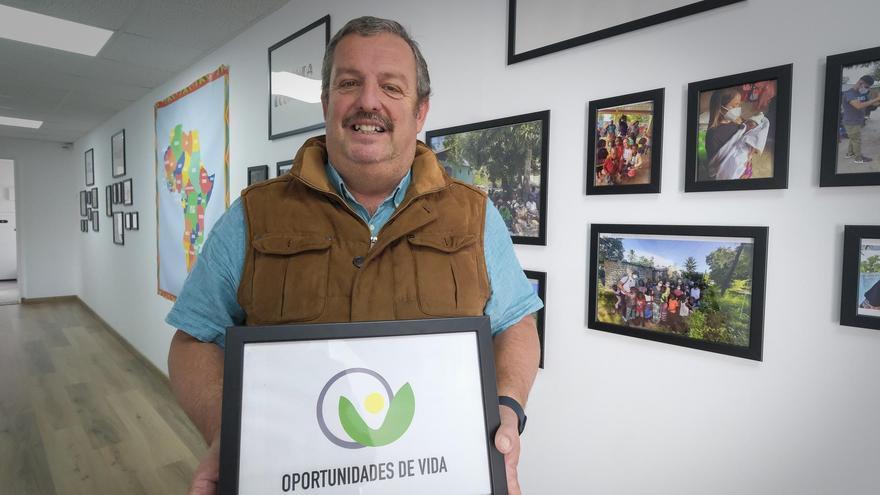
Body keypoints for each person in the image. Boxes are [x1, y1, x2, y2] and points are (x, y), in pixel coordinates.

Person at [165, 17, 542, 495]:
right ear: (325, 103)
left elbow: (516, 324)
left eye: (391, 86)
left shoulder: (476, 217)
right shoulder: (252, 216)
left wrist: (506, 410)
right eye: (349, 83)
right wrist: (229, 434)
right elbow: (192, 341)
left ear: (420, 110)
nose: (369, 101)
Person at [704, 88, 770, 180]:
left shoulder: (738, 124)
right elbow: (716, 164)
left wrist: (748, 160)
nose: (737, 109)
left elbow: (745, 145)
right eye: (733, 106)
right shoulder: (713, 135)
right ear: (720, 107)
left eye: (738, 105)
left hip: (745, 168)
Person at [842, 75, 880, 164]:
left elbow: (872, 104)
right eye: (866, 87)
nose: (867, 89)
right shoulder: (849, 94)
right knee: (856, 140)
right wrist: (877, 99)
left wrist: (878, 101)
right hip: (851, 122)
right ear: (861, 82)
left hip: (858, 121)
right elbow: (858, 106)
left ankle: (849, 153)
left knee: (852, 138)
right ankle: (858, 159)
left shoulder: (861, 93)